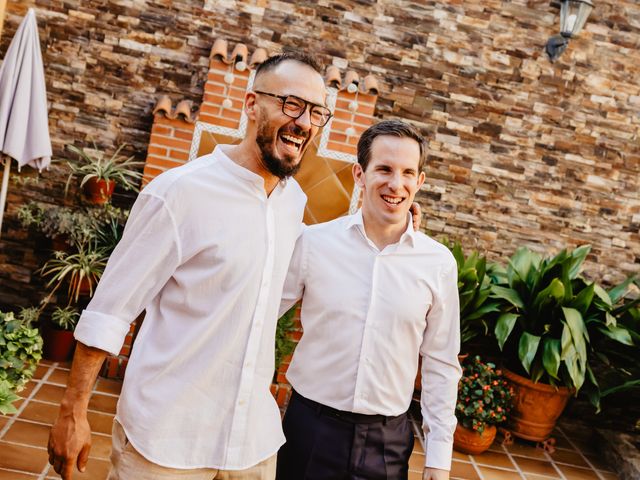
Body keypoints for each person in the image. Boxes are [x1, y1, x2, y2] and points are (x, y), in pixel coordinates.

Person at [47, 51, 333, 480]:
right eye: (291, 104)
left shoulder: (294, 203)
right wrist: (74, 410)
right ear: (252, 104)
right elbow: (112, 308)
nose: (305, 122)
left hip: (250, 446)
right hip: (165, 442)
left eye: (316, 112)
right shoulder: (179, 193)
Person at [275, 120, 462, 480]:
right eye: (385, 169)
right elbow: (261, 317)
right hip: (309, 430)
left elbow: (441, 363)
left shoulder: (438, 263)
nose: (396, 184)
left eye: (408, 172)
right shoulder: (313, 244)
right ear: (360, 174)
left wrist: (439, 459)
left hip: (387, 443)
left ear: (419, 182)